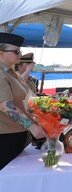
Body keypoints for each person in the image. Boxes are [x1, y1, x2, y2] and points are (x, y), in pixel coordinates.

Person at [0, 33, 45, 170]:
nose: (20, 54)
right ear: (1, 53)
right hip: (6, 139)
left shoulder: (10, 72)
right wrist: (31, 126)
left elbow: (26, 98)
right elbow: (5, 106)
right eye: (16, 51)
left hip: (17, 135)